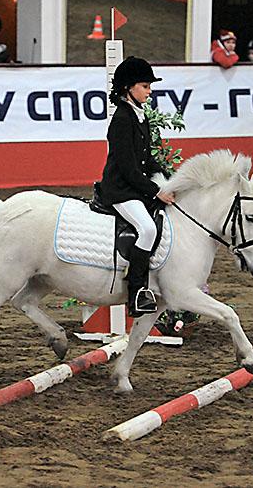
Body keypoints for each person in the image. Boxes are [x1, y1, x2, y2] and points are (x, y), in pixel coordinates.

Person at [99, 56, 175, 317]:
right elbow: (129, 169)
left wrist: (170, 179)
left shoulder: (139, 116)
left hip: (134, 187)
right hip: (120, 189)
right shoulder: (122, 119)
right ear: (128, 87)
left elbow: (147, 159)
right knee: (147, 228)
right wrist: (157, 191)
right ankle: (136, 293)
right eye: (145, 86)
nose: (149, 91)